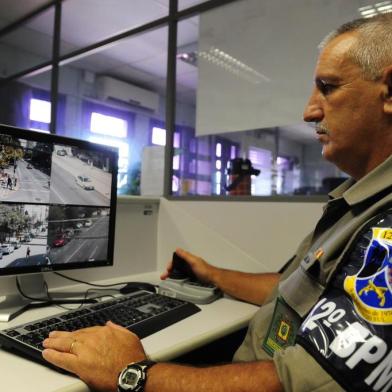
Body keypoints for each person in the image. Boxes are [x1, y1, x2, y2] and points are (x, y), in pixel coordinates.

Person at [42, 13, 392, 392]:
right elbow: (296, 288)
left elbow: (300, 385)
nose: (309, 111)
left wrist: (133, 374)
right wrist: (213, 274)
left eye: (328, 87)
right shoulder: (359, 202)